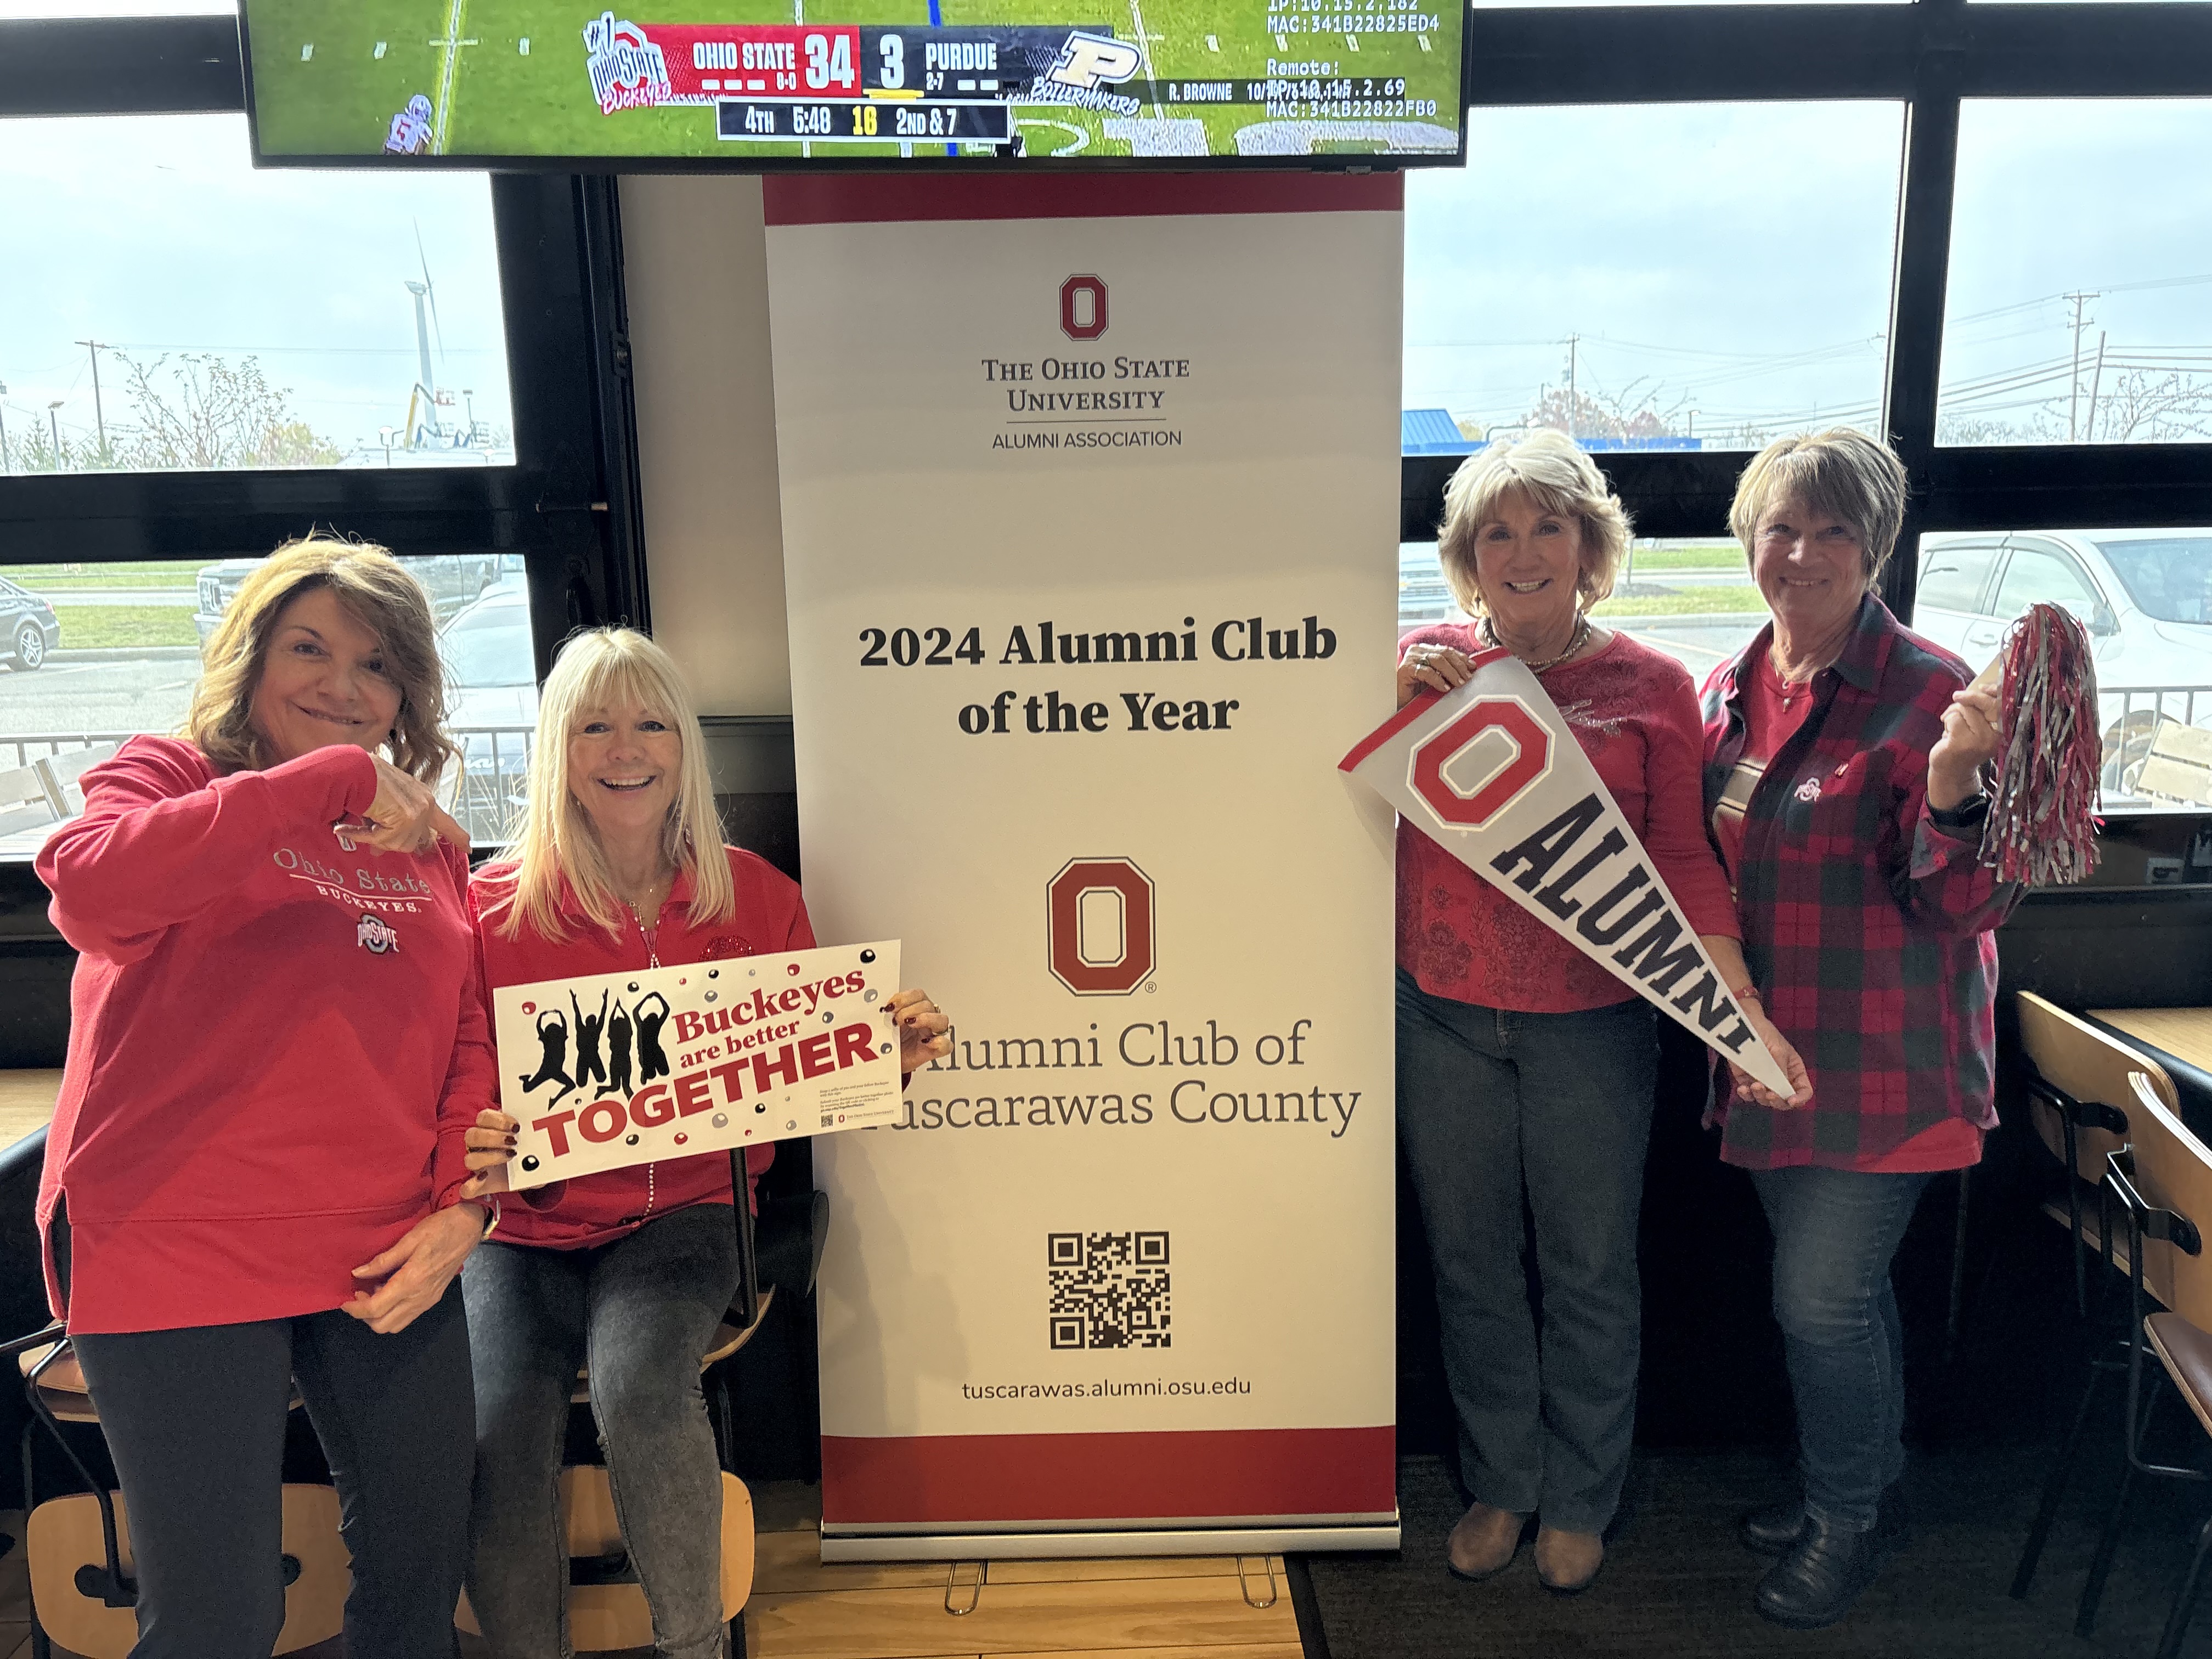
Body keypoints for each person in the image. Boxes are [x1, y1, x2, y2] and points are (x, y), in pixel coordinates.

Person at [34, 536, 498, 1658]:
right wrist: (330, 782)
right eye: (308, 648)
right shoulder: (167, 777)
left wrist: (465, 1208)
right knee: (220, 1618)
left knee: (420, 1585)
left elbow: (467, 1034)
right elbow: (91, 893)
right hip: (174, 1240)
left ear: (407, 693)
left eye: (377, 664)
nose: (343, 686)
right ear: (249, 658)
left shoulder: (427, 843)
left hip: (387, 1246)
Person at [458, 627, 949, 1659]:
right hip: (523, 1233)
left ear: (684, 744)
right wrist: (475, 1134)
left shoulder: (756, 895)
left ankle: (696, 1649)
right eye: (594, 726)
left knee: (640, 1386)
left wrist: (888, 1058)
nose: (624, 749)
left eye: (651, 724)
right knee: (496, 1425)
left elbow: (808, 1080)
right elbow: (450, 1079)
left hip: (690, 1213)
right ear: (557, 749)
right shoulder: (489, 910)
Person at [1395, 431, 1807, 1595]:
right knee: (1470, 1264)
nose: (1524, 552)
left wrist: (1735, 1001)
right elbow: (1342, 807)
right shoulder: (1422, 665)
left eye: (1549, 526)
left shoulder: (1653, 688)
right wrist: (1382, 711)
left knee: (1588, 1269)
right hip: (1438, 1015)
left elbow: (1681, 859)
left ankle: (1581, 1494)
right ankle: (1502, 1481)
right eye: (1498, 532)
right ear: (1469, 559)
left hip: (1594, 1022)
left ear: (1590, 547)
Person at [1701, 429, 2015, 1629]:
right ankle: (1864, 1480)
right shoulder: (1730, 686)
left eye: (1834, 530)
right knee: (1844, 1299)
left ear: (1875, 547)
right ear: (1750, 538)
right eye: (1782, 526)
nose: (1803, 553)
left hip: (1887, 1065)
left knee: (1821, 1303)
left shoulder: (1932, 693)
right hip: (1768, 1061)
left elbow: (1967, 905)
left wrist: (1956, 785)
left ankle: (1843, 1519)